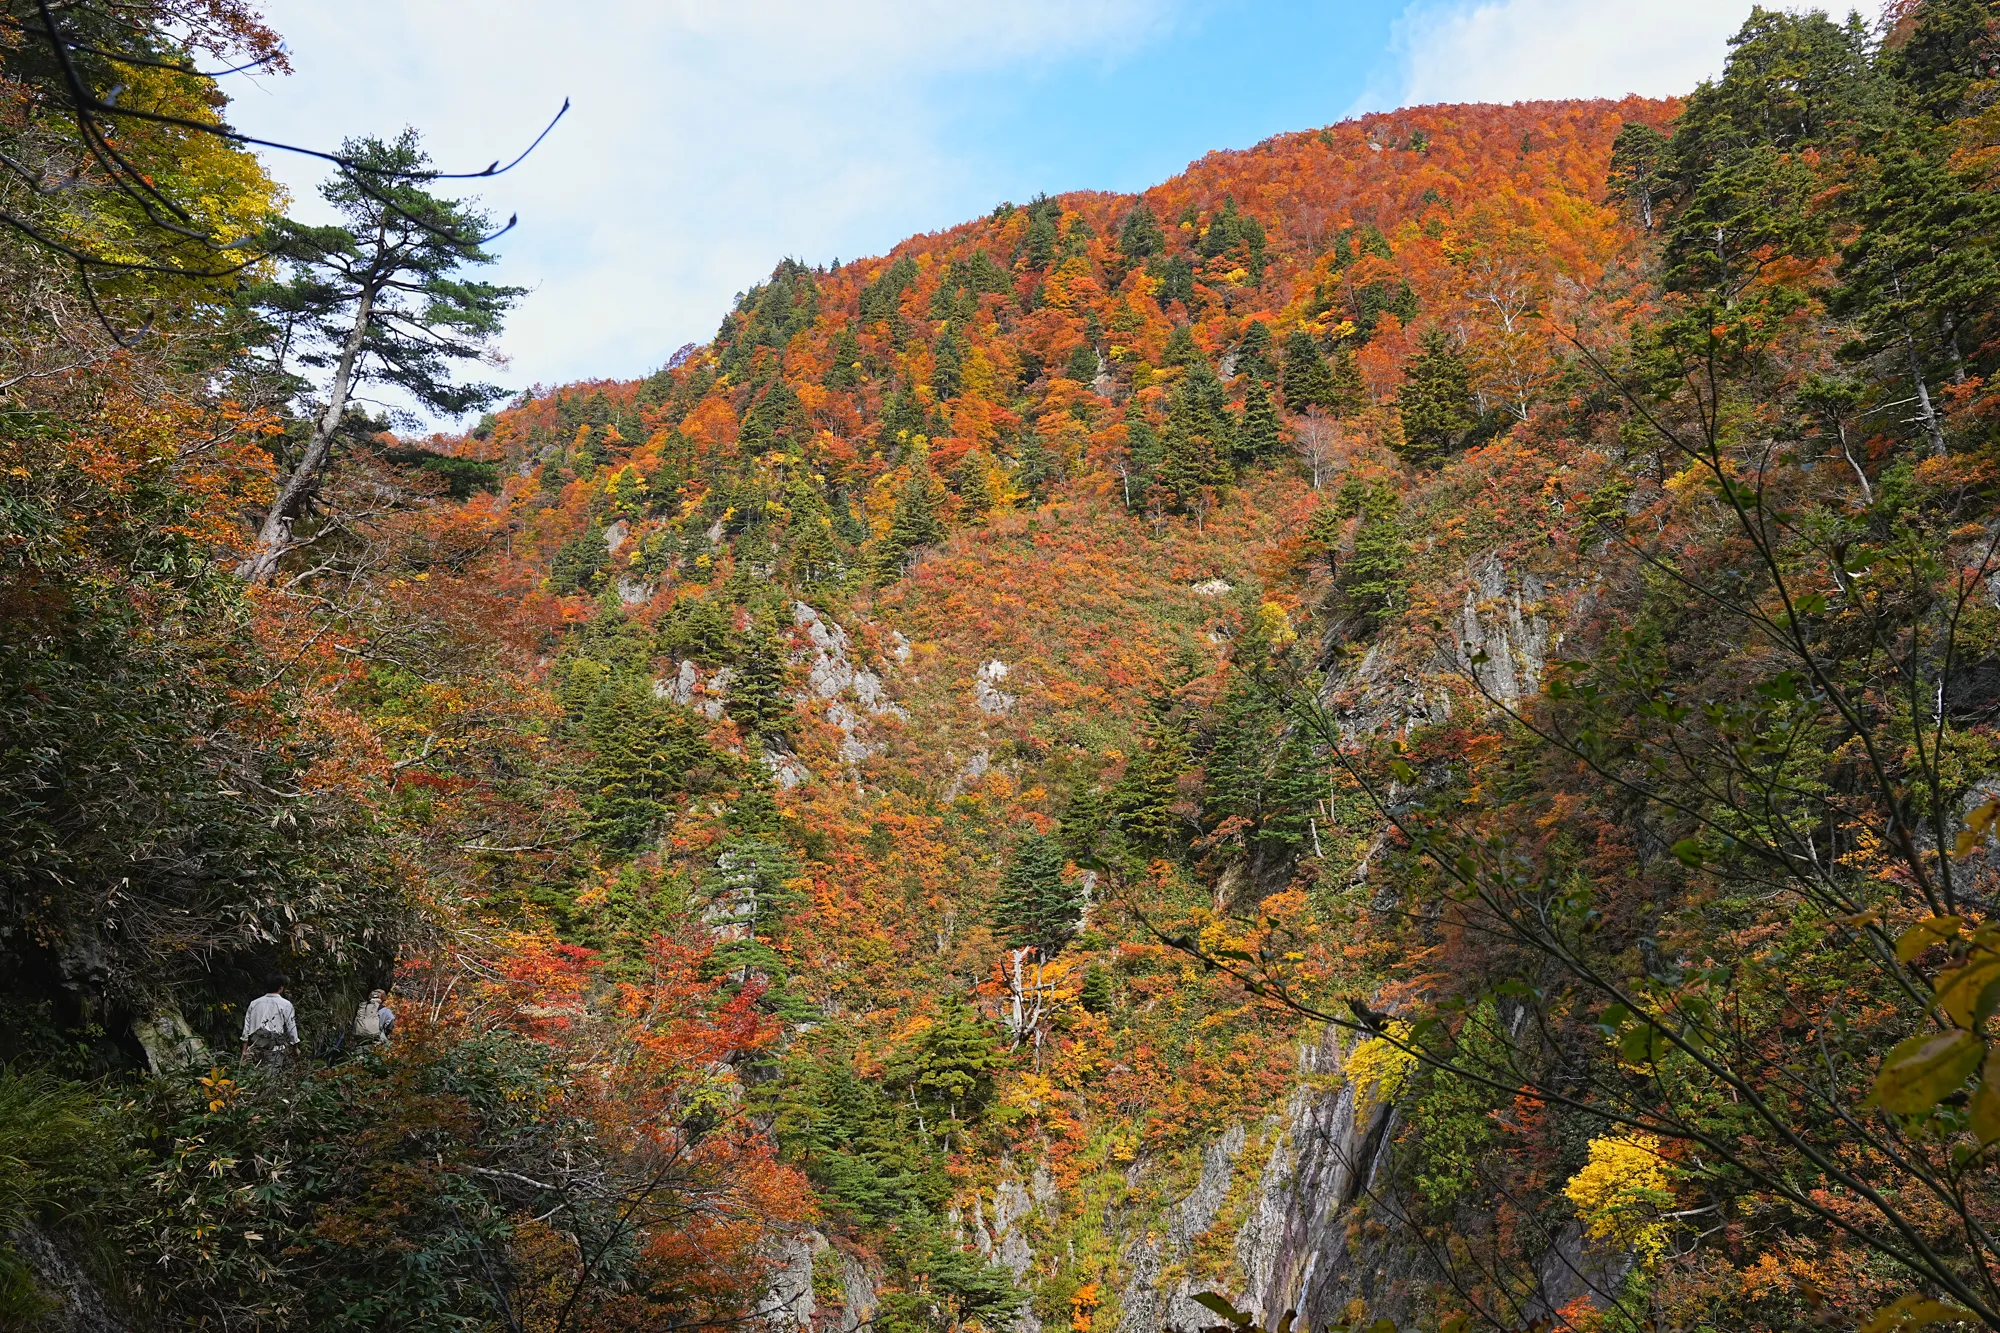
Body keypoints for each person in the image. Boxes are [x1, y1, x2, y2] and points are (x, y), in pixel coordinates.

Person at [241, 973, 300, 1068]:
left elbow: (246, 1029)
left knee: (253, 1074)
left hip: (254, 1049)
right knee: (271, 1074)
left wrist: (244, 1050)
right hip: (274, 1050)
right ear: (281, 987)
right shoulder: (286, 1005)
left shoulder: (254, 1003)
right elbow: (291, 1028)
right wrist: (295, 1048)